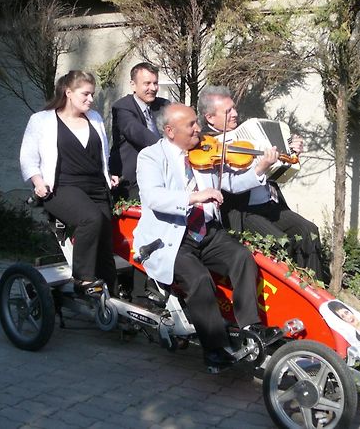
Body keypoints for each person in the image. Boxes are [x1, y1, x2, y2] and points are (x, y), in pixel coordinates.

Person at [133, 102, 282, 368]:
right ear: (169, 131)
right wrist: (193, 197)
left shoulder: (203, 150)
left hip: (205, 232)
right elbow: (154, 197)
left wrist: (260, 169)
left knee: (242, 257)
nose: (198, 129)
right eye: (191, 125)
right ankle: (214, 348)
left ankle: (250, 326)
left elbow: (230, 183)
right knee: (199, 279)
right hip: (170, 237)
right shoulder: (150, 157)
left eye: (196, 122)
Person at [197, 85, 325, 280]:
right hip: (242, 211)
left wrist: (290, 151)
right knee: (281, 243)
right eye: (227, 111)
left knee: (309, 231)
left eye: (234, 108)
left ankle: (315, 291)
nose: (235, 114)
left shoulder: (245, 132)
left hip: (269, 203)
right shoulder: (207, 145)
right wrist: (261, 165)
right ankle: (282, 298)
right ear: (210, 118)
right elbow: (227, 183)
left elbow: (279, 172)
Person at [20, 70, 118, 295]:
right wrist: (37, 181)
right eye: (86, 94)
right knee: (90, 219)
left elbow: (101, 154)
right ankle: (83, 279)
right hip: (61, 188)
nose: (91, 100)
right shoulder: (42, 120)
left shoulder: (95, 118)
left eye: (92, 94)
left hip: (96, 188)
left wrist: (108, 174)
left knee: (105, 244)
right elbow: (28, 157)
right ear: (69, 93)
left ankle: (113, 305)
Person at [109, 62, 170, 200]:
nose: (153, 88)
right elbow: (137, 132)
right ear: (133, 85)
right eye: (147, 83)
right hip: (131, 180)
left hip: (162, 176)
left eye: (155, 83)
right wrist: (167, 149)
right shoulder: (122, 107)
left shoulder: (164, 105)